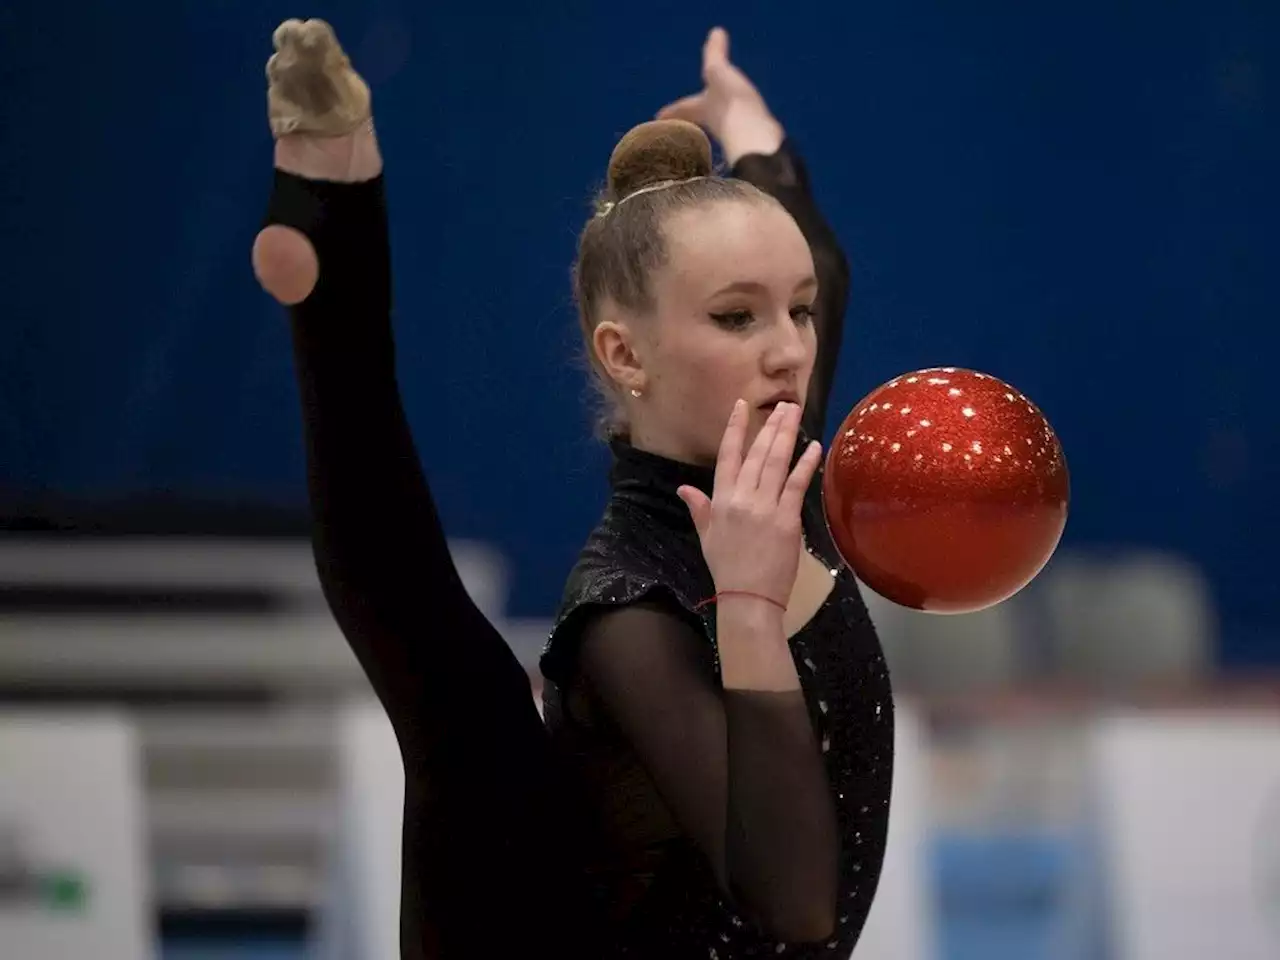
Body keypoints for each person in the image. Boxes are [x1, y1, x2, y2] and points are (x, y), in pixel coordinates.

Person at [252, 19, 893, 960]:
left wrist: (747, 121)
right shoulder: (628, 612)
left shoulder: (772, 448)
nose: (791, 348)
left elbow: (821, 265)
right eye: (735, 316)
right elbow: (794, 908)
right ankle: (333, 221)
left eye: (797, 312)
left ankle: (332, 220)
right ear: (624, 353)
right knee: (453, 697)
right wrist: (751, 607)